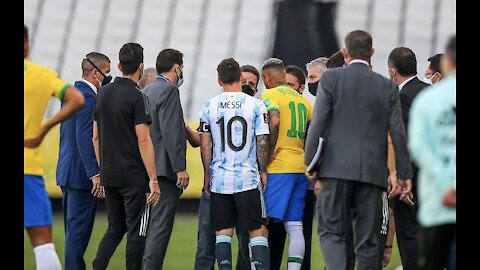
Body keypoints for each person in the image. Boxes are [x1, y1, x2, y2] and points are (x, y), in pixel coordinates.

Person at [304, 30, 413, 270]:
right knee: (367, 241)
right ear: (372, 52)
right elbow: (397, 132)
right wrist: (404, 174)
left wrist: (311, 162)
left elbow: (319, 124)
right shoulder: (387, 86)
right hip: (371, 175)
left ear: (345, 53)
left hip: (335, 171)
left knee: (332, 233)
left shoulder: (331, 80)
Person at [92, 43, 160, 270]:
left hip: (110, 175)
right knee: (137, 232)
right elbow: (144, 139)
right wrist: (153, 179)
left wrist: (103, 169)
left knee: (115, 227)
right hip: (134, 178)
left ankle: (98, 265)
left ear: (119, 66)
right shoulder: (137, 96)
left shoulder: (103, 93)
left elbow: (95, 137)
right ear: (141, 67)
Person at [199, 58, 271, 270]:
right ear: (241, 78)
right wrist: (263, 170)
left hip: (220, 178)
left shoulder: (208, 105)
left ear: (219, 80)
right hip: (248, 177)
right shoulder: (256, 105)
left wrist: (207, 174)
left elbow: (205, 145)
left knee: (223, 232)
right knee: (256, 230)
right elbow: (263, 140)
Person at [24, 24, 85, 270]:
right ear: (26, 45)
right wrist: (42, 129)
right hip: (27, 167)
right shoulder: (40, 75)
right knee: (43, 244)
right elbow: (76, 99)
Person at [56, 52, 111, 270]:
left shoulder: (71, 93)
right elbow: (84, 136)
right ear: (96, 73)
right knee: (78, 238)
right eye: (106, 72)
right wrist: (94, 173)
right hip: (81, 176)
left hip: (67, 171)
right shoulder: (89, 97)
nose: (108, 77)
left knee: (73, 235)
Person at [408, 35, 456, 270]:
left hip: (438, 200)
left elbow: (419, 147)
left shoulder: (428, 100)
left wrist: (448, 185)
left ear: (447, 62)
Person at [261, 58, 313, 270]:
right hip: (299, 167)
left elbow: (274, 120)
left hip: (278, 168)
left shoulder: (269, 94)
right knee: (295, 226)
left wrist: (268, 154)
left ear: (266, 77)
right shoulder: (305, 102)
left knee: (262, 225)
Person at [142, 48, 190, 269]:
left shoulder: (147, 90)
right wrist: (179, 167)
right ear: (177, 67)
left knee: (145, 230)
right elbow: (171, 133)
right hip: (164, 173)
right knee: (159, 232)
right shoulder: (170, 91)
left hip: (146, 170)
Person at [387, 46, 430, 270]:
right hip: (433, 176)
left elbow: (402, 139)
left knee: (408, 234)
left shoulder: (401, 96)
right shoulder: (429, 91)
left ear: (392, 71)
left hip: (412, 177)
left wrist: (404, 177)